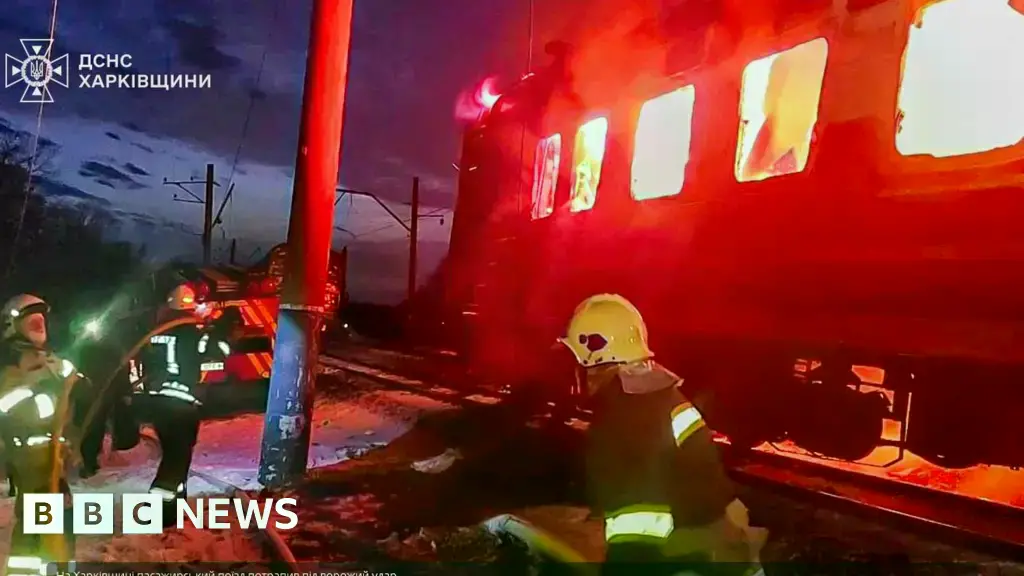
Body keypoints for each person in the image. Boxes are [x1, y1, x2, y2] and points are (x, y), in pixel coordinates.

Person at [559, 294, 767, 575]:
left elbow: (638, 529)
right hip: (727, 544)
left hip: (700, 558)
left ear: (594, 358)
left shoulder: (623, 417)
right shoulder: (660, 394)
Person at [132, 285, 232, 526]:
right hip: (182, 407)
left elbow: (145, 362)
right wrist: (221, 331)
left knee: (175, 457)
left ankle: (174, 508)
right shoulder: (193, 334)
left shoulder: (155, 334)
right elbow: (220, 354)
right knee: (177, 460)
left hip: (158, 404)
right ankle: (159, 511)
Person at [0, 294, 79, 575]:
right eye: (30, 320)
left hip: (52, 461)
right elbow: (11, 406)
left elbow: (72, 377)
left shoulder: (50, 361)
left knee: (59, 522)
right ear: (12, 325)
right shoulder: (8, 366)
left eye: (41, 319)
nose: (38, 325)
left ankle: (57, 569)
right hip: (30, 463)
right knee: (39, 525)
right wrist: (44, 390)